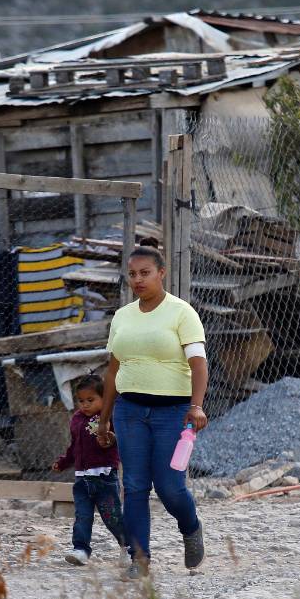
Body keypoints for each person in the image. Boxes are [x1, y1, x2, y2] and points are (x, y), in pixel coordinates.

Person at [96, 237, 208, 580]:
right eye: (132, 274)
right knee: (135, 486)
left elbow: (199, 363)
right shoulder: (122, 317)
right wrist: (103, 420)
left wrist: (197, 406)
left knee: (170, 486)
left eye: (145, 273)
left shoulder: (181, 312)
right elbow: (114, 370)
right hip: (129, 410)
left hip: (172, 412)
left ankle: (190, 527)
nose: (138, 280)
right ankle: (139, 558)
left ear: (162, 273)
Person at [52, 374, 126, 566]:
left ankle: (128, 547)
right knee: (82, 515)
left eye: (90, 400)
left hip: (104, 477)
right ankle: (81, 549)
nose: (85, 405)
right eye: (81, 400)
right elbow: (74, 446)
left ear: (104, 399)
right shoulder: (76, 419)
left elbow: (117, 441)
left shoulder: (109, 417)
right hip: (82, 479)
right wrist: (63, 462)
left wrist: (110, 439)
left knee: (112, 516)